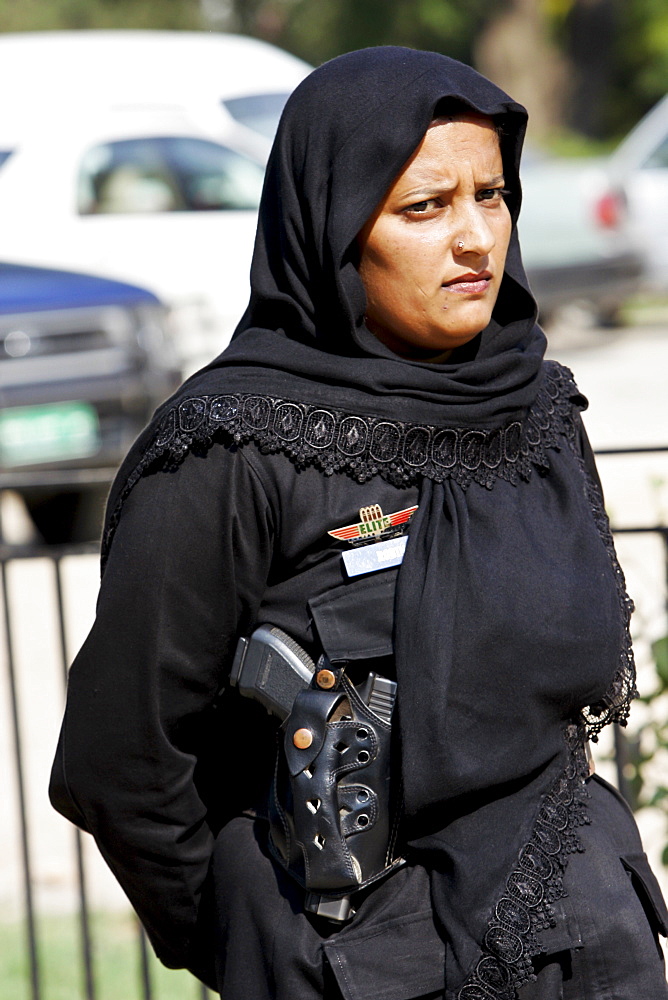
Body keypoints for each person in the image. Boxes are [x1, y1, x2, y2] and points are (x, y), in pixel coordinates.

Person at [50, 47, 668, 999]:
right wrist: (243, 932)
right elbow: (120, 758)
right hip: (354, 962)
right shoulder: (238, 449)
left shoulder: (538, 410)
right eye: (425, 206)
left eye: (492, 195)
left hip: (581, 947)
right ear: (335, 225)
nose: (476, 237)